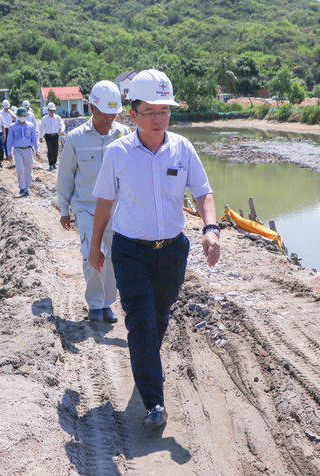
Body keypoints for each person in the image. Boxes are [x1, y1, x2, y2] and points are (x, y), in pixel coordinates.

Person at [89, 69, 220, 430]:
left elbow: (203, 192)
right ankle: (154, 402)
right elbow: (104, 202)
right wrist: (95, 245)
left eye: (165, 110)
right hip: (130, 251)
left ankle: (145, 363)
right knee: (142, 323)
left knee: (159, 317)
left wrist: (211, 229)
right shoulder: (117, 153)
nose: (159, 118)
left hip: (172, 251)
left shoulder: (182, 148)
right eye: (151, 111)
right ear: (133, 115)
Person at [57, 80, 131, 323]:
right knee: (92, 253)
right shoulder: (76, 138)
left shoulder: (124, 135)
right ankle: (95, 304)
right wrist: (64, 209)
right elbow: (66, 175)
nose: (110, 118)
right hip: (86, 207)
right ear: (92, 109)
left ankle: (107, 304)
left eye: (114, 113)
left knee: (110, 257)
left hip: (114, 208)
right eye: (105, 113)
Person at [7, 106, 39, 196]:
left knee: (28, 170)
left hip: (28, 150)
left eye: (24, 115)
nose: (22, 117)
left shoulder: (30, 126)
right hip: (18, 150)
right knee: (20, 169)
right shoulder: (12, 127)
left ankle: (26, 188)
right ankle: (21, 187)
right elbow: (9, 140)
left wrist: (38, 150)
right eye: (20, 115)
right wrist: (9, 153)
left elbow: (34, 139)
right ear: (17, 116)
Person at [39, 102, 66, 171]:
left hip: (55, 135)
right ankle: (50, 164)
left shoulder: (57, 117)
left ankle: (54, 163)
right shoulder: (45, 118)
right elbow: (41, 127)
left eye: (53, 110)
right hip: (48, 136)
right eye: (51, 110)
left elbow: (62, 124)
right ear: (48, 110)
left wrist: (62, 130)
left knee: (55, 149)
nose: (52, 112)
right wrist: (40, 136)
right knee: (50, 149)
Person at [0, 100, 17, 166]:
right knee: (6, 142)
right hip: (4, 129)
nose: (6, 109)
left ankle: (11, 153)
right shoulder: (0, 113)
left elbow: (15, 118)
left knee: (11, 141)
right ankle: (7, 154)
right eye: (5, 107)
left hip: (10, 128)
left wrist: (10, 113)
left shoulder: (11, 112)